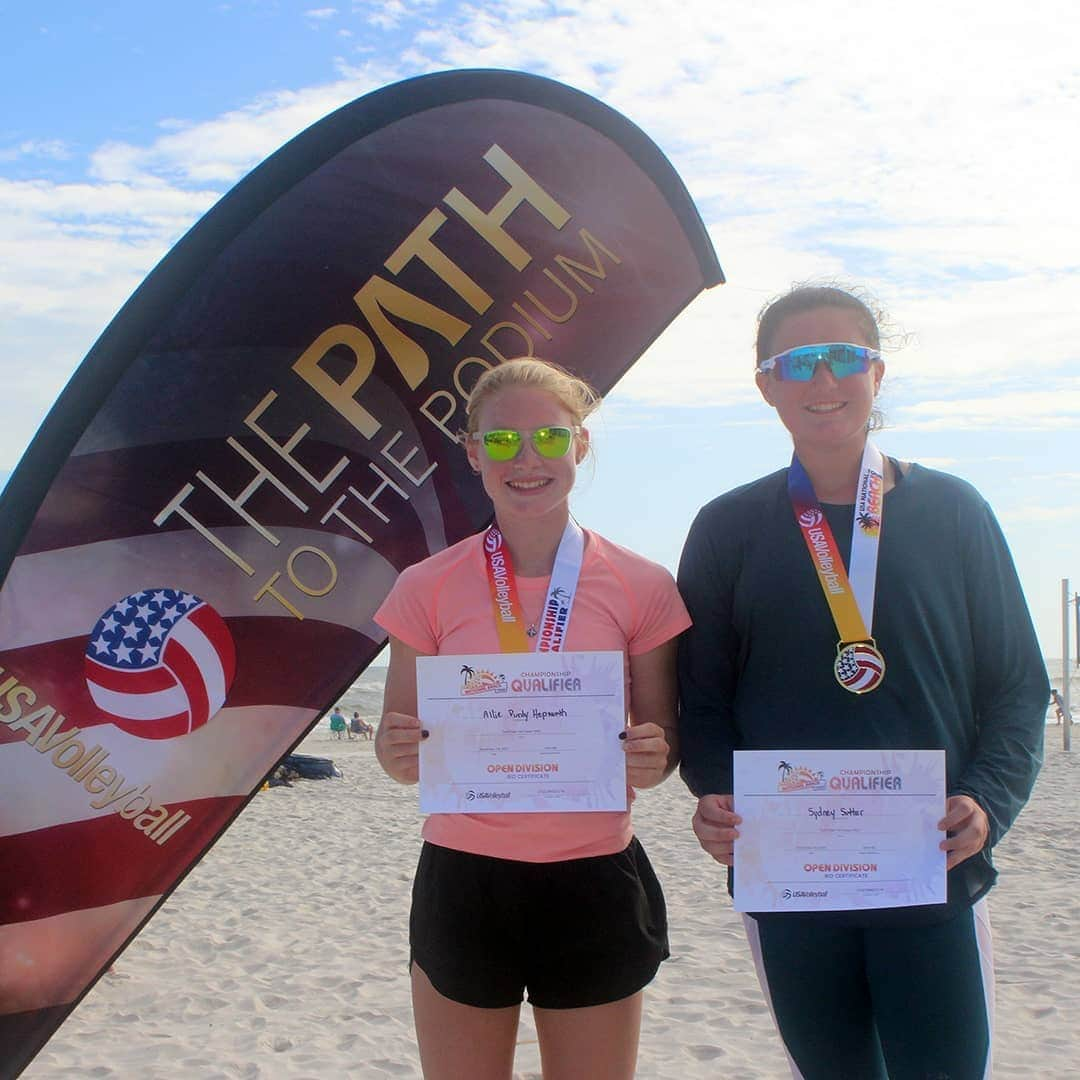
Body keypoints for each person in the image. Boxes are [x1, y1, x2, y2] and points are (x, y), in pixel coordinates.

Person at [677, 284, 1049, 1080]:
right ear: (765, 384)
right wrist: (710, 792)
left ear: (877, 373)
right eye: (798, 362)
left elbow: (1018, 683)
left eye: (844, 358)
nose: (823, 382)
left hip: (932, 870)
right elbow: (702, 700)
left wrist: (988, 799)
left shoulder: (954, 510)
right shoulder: (726, 527)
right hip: (790, 878)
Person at [374, 357, 690, 1080]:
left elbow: (663, 740)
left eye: (549, 438)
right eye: (502, 439)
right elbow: (399, 754)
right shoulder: (424, 586)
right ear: (473, 451)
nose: (526, 458)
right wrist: (398, 751)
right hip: (464, 881)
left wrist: (655, 753)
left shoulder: (643, 584)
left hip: (593, 878)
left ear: (580, 446)